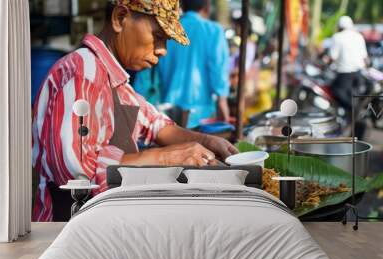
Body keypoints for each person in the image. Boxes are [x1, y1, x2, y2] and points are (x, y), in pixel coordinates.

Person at [32, 0, 238, 222]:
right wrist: (165, 158)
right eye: (158, 37)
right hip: (64, 230)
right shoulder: (82, 73)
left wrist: (207, 142)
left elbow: (156, 125)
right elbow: (80, 174)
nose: (163, 51)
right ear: (120, 18)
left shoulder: (116, 82)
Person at [135, 0, 231, 128]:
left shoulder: (168, 28)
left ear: (181, 6)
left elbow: (145, 76)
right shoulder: (213, 30)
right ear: (207, 6)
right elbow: (218, 70)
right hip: (201, 116)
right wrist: (222, 101)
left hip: (169, 113)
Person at [330, 16, 368, 109]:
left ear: (339, 26)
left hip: (344, 74)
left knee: (335, 91)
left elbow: (332, 57)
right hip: (359, 73)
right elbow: (365, 58)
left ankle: (353, 110)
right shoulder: (359, 36)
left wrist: (324, 63)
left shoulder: (337, 37)